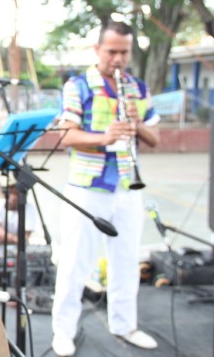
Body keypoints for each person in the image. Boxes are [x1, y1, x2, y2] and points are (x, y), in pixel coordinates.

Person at [50, 20, 160, 356]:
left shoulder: (138, 88)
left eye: (124, 52)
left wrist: (136, 122)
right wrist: (105, 138)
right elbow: (66, 135)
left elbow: (154, 139)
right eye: (111, 51)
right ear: (97, 49)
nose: (118, 58)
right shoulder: (77, 85)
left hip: (128, 186)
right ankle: (63, 331)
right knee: (75, 261)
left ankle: (125, 325)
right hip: (88, 187)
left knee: (125, 261)